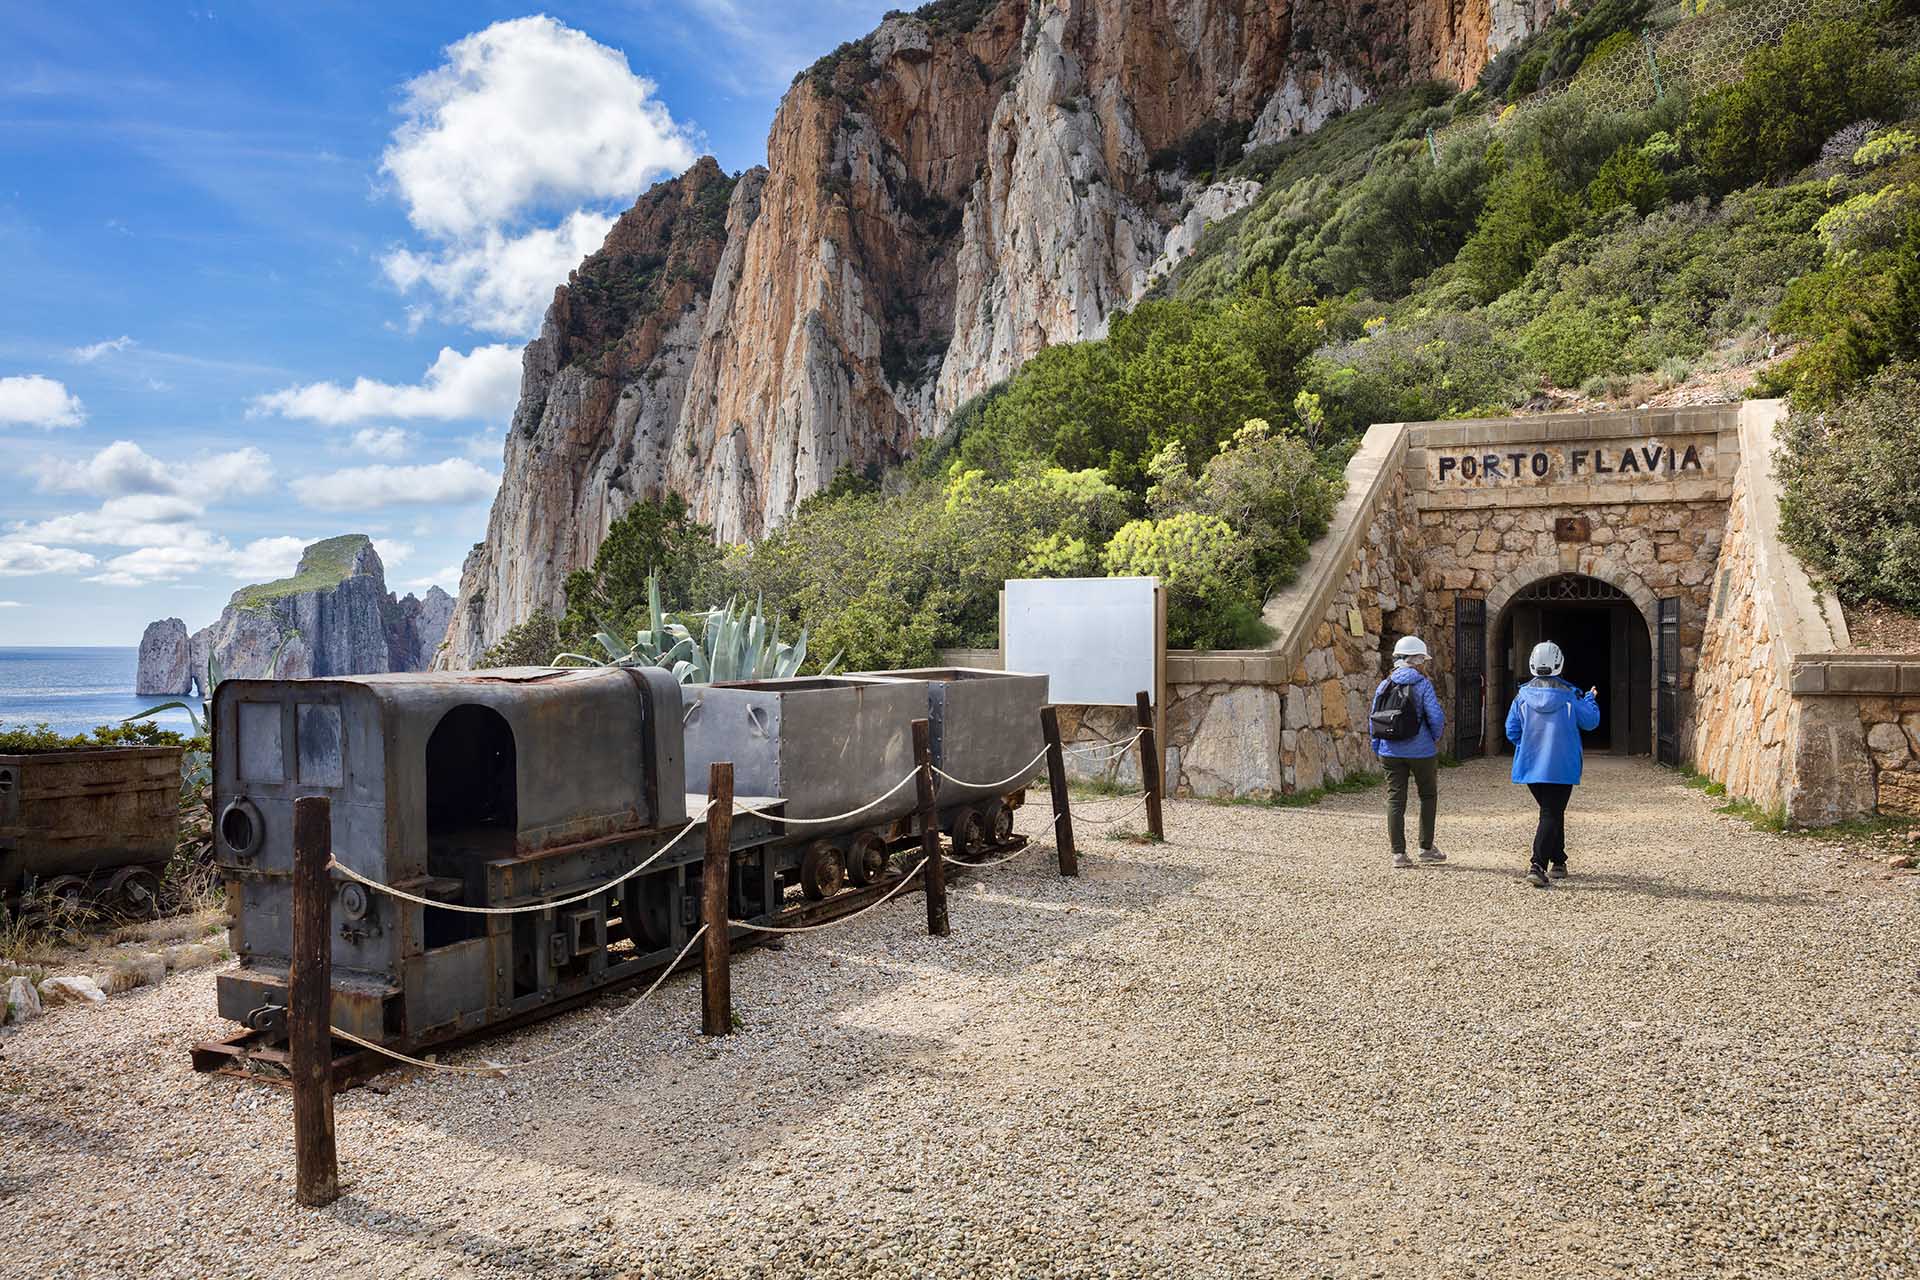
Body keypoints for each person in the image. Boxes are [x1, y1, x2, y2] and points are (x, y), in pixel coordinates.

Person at [1504, 640, 1601, 889]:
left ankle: (1559, 861)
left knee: (1551, 811)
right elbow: (1590, 722)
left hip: (1531, 764)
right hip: (1562, 765)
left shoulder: (1522, 697)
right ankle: (1537, 865)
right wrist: (1590, 698)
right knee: (1551, 813)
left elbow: (1511, 731)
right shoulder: (1570, 696)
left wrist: (1527, 745)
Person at [1370, 635, 1447, 870]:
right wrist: (1433, 738)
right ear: (1418, 660)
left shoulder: (1385, 684)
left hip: (1390, 750)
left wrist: (1378, 746)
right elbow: (1435, 716)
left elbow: (1373, 718)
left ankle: (1399, 854)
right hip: (1421, 750)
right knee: (1427, 796)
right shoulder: (1423, 684)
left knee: (1395, 799)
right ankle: (1426, 848)